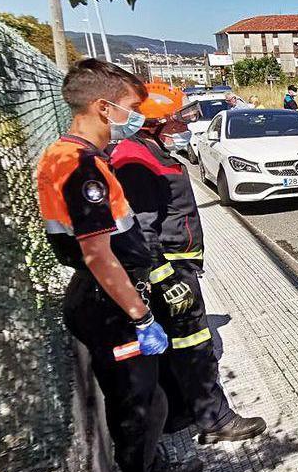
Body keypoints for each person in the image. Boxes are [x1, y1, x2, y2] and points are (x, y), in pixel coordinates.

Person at [36, 59, 207, 472]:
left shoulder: (66, 155)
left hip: (106, 298)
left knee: (145, 398)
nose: (134, 116)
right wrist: (140, 315)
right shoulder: (80, 166)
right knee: (139, 404)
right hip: (110, 302)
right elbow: (97, 253)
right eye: (130, 107)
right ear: (102, 106)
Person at [110, 81, 267, 449]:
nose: (185, 123)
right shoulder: (136, 161)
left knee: (177, 344)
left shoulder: (149, 151)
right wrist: (165, 279)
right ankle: (216, 418)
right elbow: (142, 230)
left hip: (177, 266)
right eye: (177, 118)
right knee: (196, 343)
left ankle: (181, 412)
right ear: (153, 123)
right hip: (171, 271)